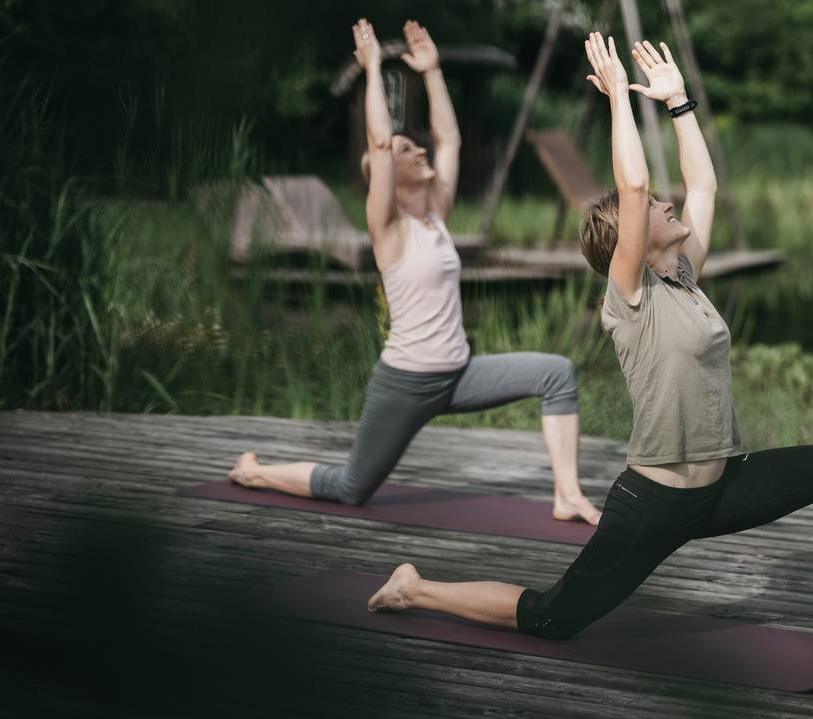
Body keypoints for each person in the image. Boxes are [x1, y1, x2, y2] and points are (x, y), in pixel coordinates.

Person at [366, 32, 813, 666]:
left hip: (721, 487)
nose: (667, 201)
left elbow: (702, 189)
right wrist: (621, 98)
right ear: (630, 234)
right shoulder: (629, 297)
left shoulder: (682, 278)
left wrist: (680, 104)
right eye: (655, 206)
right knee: (552, 617)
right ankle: (416, 588)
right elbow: (632, 185)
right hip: (655, 502)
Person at [227, 19, 602, 526]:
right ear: (385, 174)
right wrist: (376, 68)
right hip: (407, 383)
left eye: (415, 146)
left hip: (460, 374)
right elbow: (381, 144)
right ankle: (256, 472)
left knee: (556, 373)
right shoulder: (390, 229)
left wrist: (432, 72)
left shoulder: (434, 218)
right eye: (409, 150)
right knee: (352, 487)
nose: (419, 149)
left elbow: (449, 140)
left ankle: (568, 494)